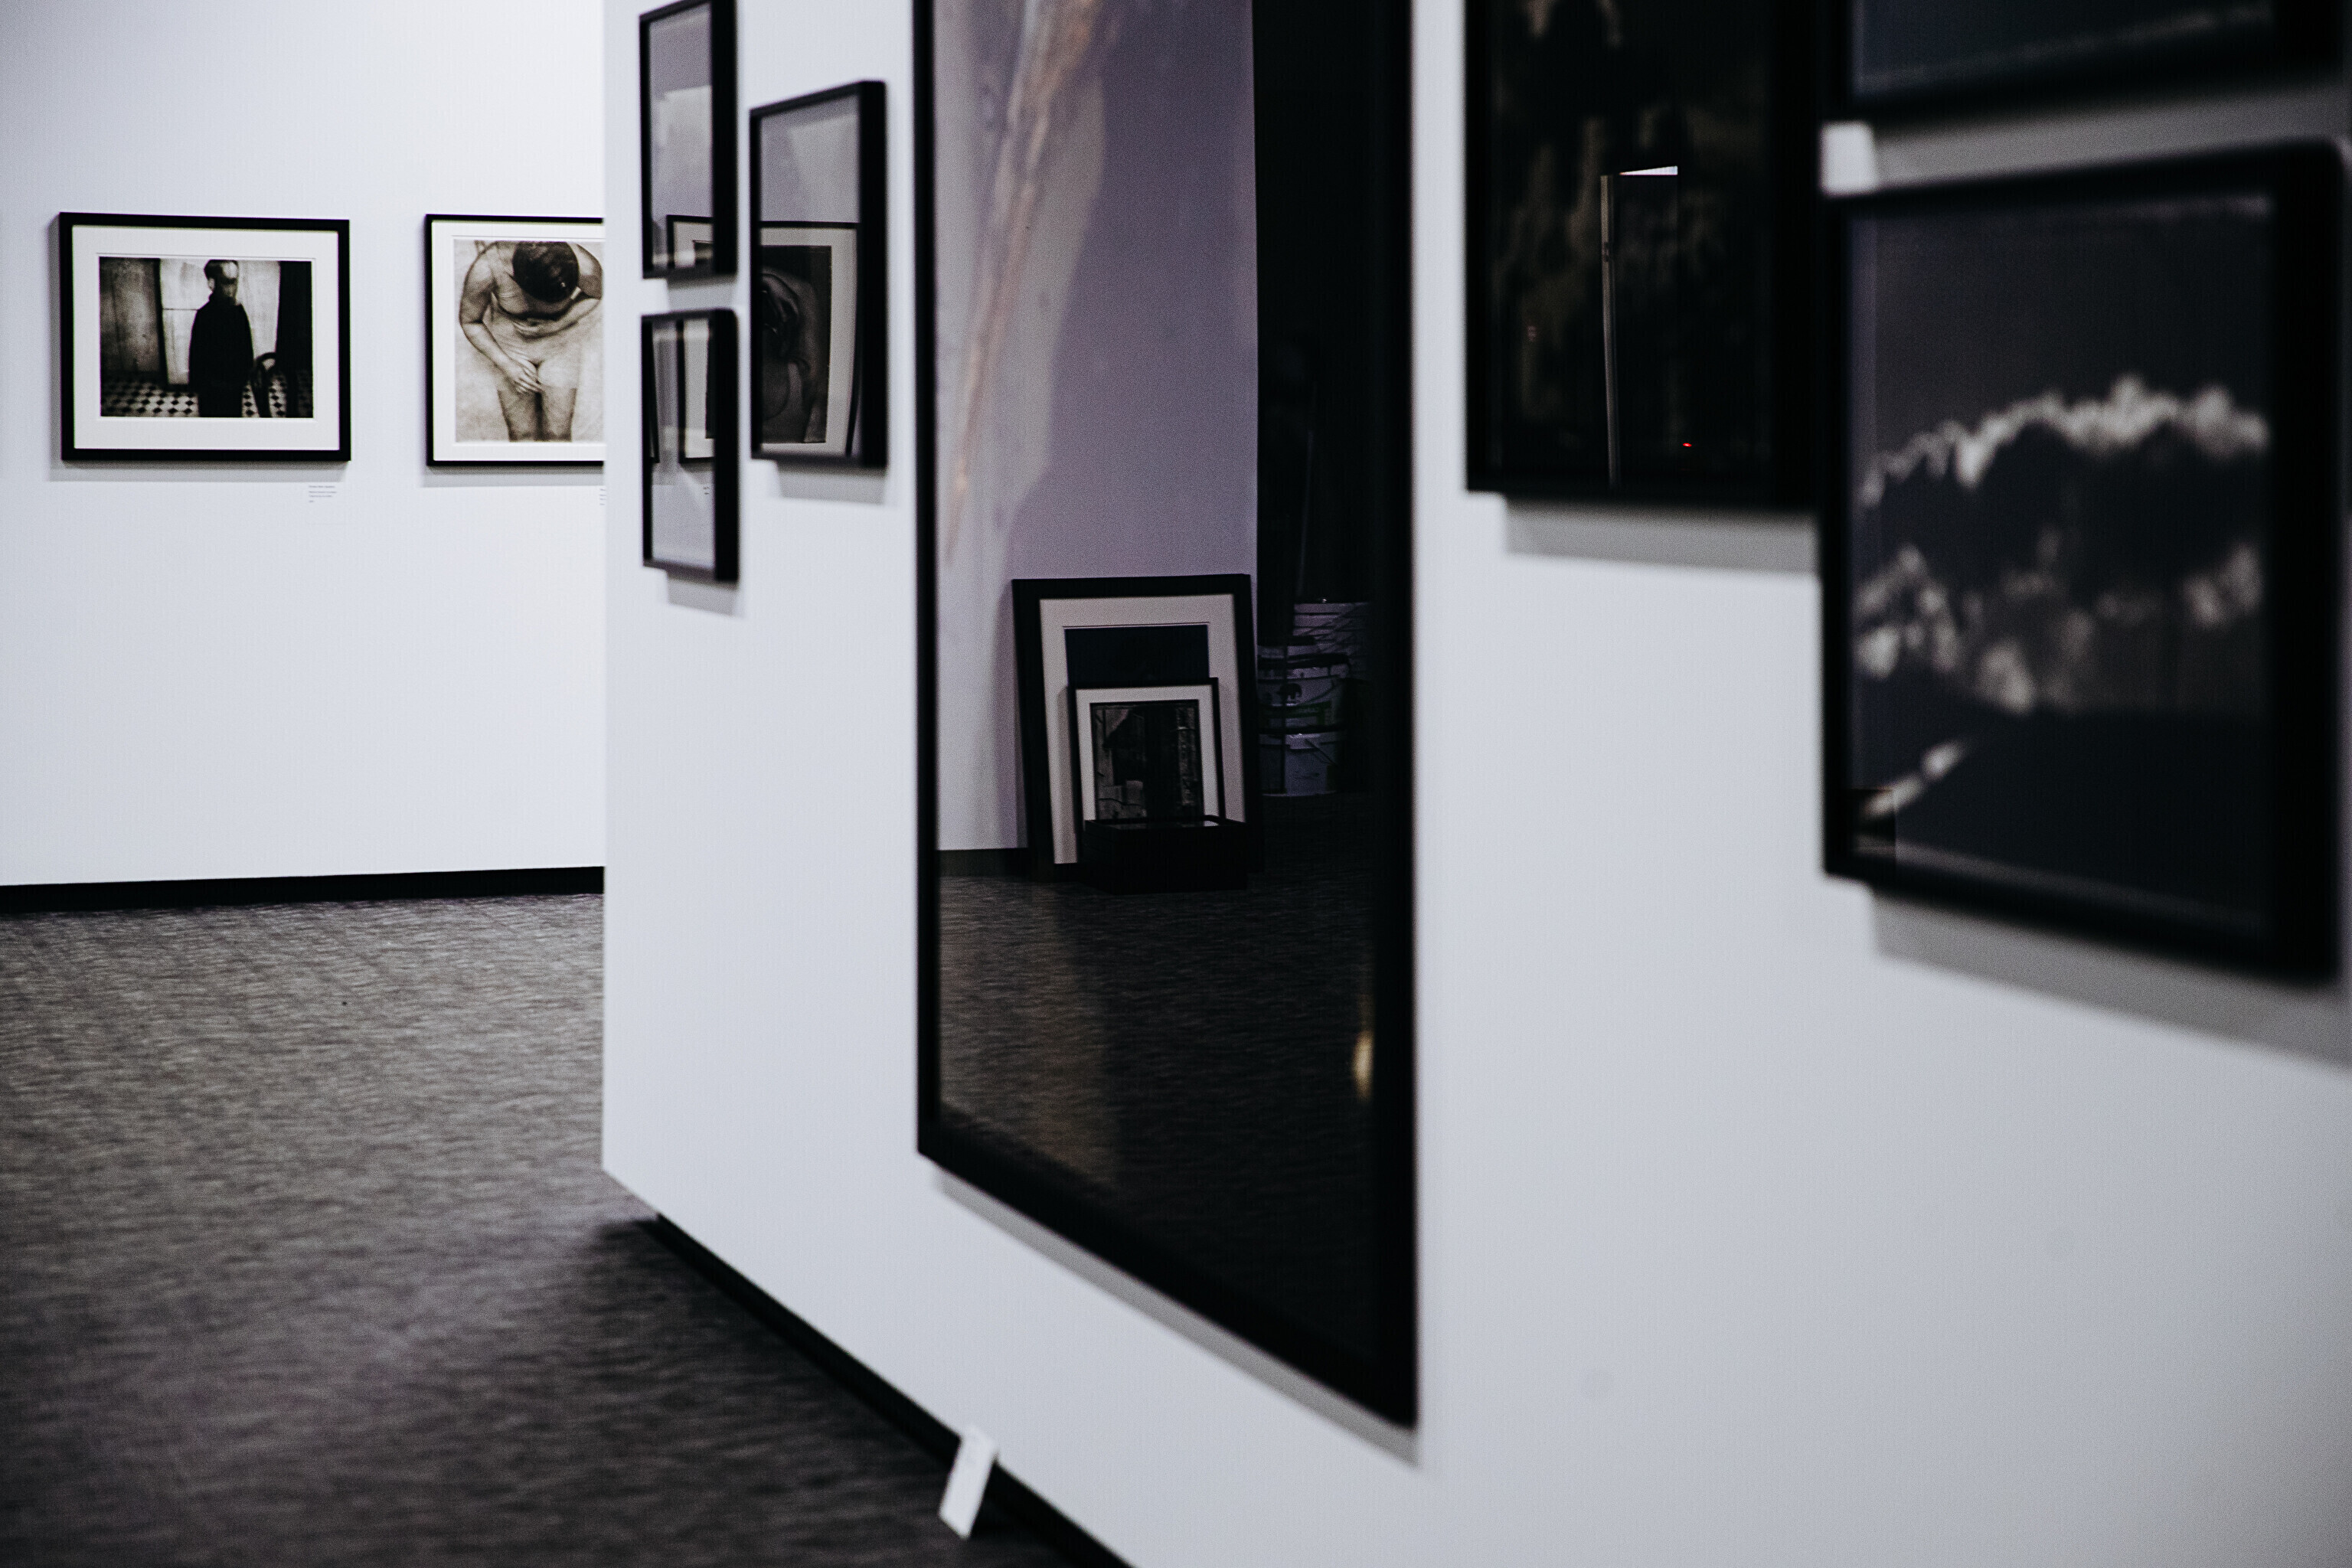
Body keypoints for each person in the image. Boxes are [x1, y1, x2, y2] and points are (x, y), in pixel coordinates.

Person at [458, 240, 603, 441]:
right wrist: (507, 365)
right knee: (522, 434)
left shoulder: (583, 265)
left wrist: (556, 325)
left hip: (559, 343)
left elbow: (597, 293)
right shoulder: (487, 267)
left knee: (558, 434)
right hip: (511, 347)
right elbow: (470, 321)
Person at [188, 260, 254, 418]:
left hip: (234, 386)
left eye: (235, 282)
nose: (232, 289)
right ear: (211, 283)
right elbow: (196, 354)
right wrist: (198, 383)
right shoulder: (204, 315)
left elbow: (247, 347)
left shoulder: (238, 311)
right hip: (211, 388)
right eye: (226, 282)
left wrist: (245, 375)